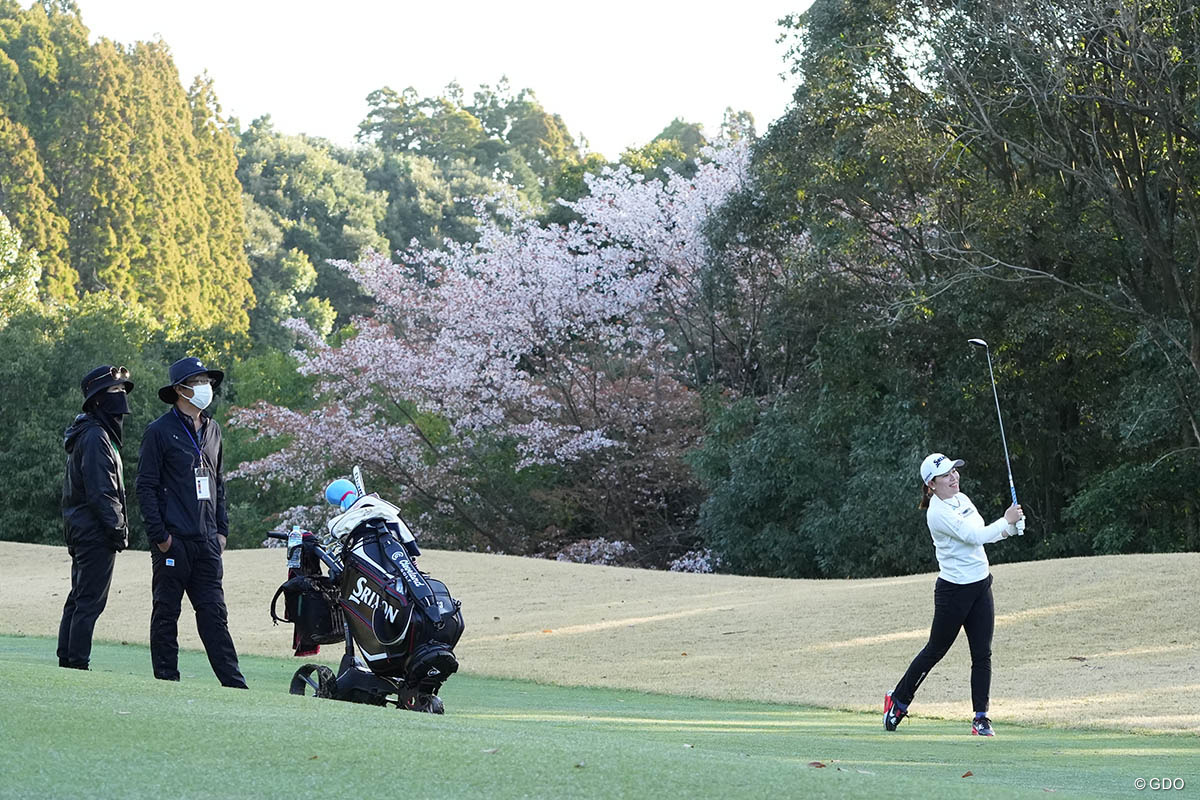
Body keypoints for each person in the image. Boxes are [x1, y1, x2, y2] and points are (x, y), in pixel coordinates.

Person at [883, 452, 1023, 737]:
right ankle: (898, 701)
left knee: (982, 653)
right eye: (946, 474)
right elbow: (974, 537)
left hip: (980, 584)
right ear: (931, 484)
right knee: (935, 650)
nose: (954, 477)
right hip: (954, 591)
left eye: (954, 471)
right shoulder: (938, 512)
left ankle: (981, 717)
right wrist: (1005, 520)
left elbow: (984, 532)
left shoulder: (963, 499)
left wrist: (1009, 529)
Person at [135, 356, 247, 688]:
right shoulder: (159, 431)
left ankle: (234, 684)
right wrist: (160, 536)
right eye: (199, 382)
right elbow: (146, 485)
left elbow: (218, 482)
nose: (206, 388)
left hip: (207, 541)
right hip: (174, 541)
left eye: (207, 382)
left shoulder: (213, 430)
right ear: (181, 389)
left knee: (215, 615)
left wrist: (222, 531)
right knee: (166, 612)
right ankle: (167, 680)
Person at [58, 365, 135, 670]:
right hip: (94, 531)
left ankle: (68, 657)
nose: (122, 397)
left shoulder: (93, 433)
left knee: (79, 597)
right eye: (115, 391)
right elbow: (102, 491)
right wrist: (118, 530)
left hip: (84, 528)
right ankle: (77, 661)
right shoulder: (95, 437)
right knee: (89, 601)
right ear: (98, 400)